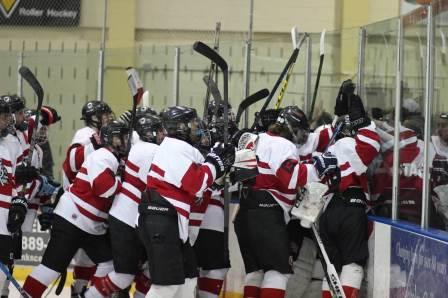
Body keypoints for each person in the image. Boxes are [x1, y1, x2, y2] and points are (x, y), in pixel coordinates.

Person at [234, 105, 338, 298]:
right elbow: (290, 177)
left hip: (244, 214)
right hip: (267, 216)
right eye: (299, 132)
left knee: (255, 272)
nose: (300, 138)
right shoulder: (283, 145)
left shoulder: (252, 139)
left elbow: (239, 176)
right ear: (290, 128)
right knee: (278, 273)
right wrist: (319, 167)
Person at [22, 121, 128, 298]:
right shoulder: (103, 155)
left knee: (109, 264)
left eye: (125, 137)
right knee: (51, 268)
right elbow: (104, 188)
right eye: (120, 137)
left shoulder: (114, 158)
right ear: (109, 139)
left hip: (91, 225)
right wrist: (120, 180)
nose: (124, 141)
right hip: (72, 220)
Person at [139, 106, 235, 298]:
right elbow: (197, 183)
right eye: (192, 123)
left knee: (188, 279)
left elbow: (200, 181)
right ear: (180, 127)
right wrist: (216, 162)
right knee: (166, 287)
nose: (196, 127)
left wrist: (217, 160)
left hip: (167, 221)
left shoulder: (178, 148)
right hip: (161, 220)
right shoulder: (175, 147)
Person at [319, 80, 380, 298]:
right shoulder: (350, 146)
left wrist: (341, 107)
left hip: (327, 211)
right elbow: (370, 148)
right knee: (353, 265)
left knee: (331, 268)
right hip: (350, 207)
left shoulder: (328, 147)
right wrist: (362, 121)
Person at [95, 114, 165, 298]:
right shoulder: (149, 150)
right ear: (149, 132)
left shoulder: (141, 145)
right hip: (126, 219)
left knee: (151, 268)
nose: (163, 133)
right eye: (158, 130)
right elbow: (157, 185)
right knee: (124, 276)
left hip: (133, 219)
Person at [60, 100, 113, 295]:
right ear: (93, 118)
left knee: (88, 257)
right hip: (80, 203)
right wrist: (96, 142)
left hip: (89, 202)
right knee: (87, 256)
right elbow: (73, 162)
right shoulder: (85, 134)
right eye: (104, 115)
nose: (108, 118)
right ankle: (82, 289)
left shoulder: (99, 134)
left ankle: (81, 289)